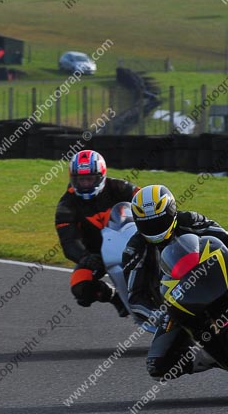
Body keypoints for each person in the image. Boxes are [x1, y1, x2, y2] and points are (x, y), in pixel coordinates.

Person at [123, 185, 228, 379]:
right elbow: (136, 298)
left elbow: (224, 239)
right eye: (147, 224)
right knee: (159, 366)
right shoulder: (135, 249)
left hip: (214, 281)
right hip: (176, 304)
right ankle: (211, 356)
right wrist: (159, 315)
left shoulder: (191, 220)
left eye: (159, 221)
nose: (154, 228)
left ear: (171, 212)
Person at [55, 150, 139, 316]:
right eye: (81, 180)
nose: (85, 184)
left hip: (132, 244)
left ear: (101, 176)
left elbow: (146, 199)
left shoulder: (119, 187)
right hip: (96, 254)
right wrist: (85, 257)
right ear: (72, 179)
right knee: (81, 288)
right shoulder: (66, 205)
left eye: (90, 179)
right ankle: (115, 297)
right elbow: (68, 241)